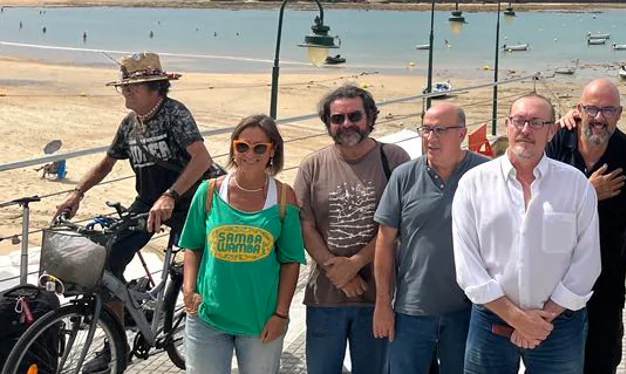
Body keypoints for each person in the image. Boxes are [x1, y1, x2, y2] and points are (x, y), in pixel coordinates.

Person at [52, 52, 218, 371]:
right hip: (149, 201)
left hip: (192, 199)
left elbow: (202, 160)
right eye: (124, 87)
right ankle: (116, 344)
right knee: (107, 263)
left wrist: (170, 195)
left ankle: (202, 333)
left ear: (156, 87)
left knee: (195, 268)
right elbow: (107, 162)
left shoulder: (174, 114)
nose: (126, 92)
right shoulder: (130, 124)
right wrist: (77, 192)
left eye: (134, 87)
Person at [452, 94, 600, 374]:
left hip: (559, 325)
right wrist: (517, 318)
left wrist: (540, 320)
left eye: (536, 122)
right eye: (519, 121)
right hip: (491, 321)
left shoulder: (576, 185)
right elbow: (467, 264)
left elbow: (587, 261)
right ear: (507, 126)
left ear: (552, 130)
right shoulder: (474, 183)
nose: (526, 130)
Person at [292, 84, 410, 374]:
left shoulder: (394, 160)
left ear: (370, 117)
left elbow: (400, 224)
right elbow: (304, 224)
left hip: (378, 297)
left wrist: (355, 263)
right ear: (328, 123)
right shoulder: (312, 166)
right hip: (325, 296)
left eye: (354, 116)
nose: (346, 124)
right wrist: (338, 273)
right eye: (337, 118)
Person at [179, 114, 305, 374]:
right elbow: (193, 245)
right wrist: (189, 289)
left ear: (272, 151)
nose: (250, 154)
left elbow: (291, 260)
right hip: (207, 318)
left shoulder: (284, 197)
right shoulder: (209, 192)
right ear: (233, 148)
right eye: (242, 146)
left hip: (261, 322)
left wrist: (281, 315)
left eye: (260, 147)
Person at [372, 101, 488, 374]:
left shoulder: (485, 174)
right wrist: (382, 304)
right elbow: (385, 241)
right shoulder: (404, 176)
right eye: (425, 129)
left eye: (439, 130)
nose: (430, 138)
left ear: (462, 133)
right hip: (412, 310)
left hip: (469, 311)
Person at [547, 78, 626, 374]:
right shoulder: (556, 142)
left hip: (605, 289)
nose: (599, 118)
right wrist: (588, 193)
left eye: (607, 110)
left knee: (601, 365)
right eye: (592, 109)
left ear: (619, 114)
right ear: (579, 110)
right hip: (553, 284)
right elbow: (532, 205)